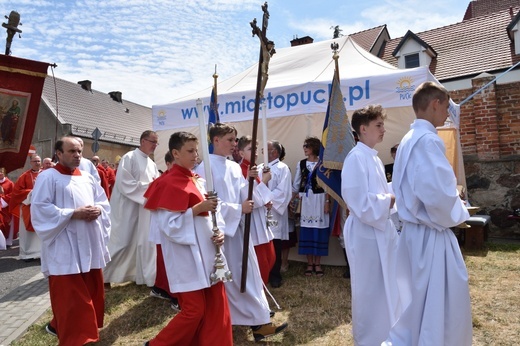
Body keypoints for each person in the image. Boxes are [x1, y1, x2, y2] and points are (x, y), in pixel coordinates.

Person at [382, 82, 472, 346]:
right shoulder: (428, 140)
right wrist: (460, 208)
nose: (447, 113)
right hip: (431, 235)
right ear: (435, 104)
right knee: (437, 306)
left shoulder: (409, 139)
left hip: (414, 234)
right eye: (445, 106)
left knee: (416, 304)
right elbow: (437, 195)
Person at [195, 123, 288, 342]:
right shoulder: (204, 169)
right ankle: (251, 320)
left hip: (237, 230)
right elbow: (207, 202)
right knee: (234, 277)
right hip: (221, 234)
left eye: (235, 140)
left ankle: (258, 319)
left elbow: (243, 194)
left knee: (248, 274)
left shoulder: (234, 167)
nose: (234, 144)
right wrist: (238, 209)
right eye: (230, 140)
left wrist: (257, 189)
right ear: (216, 140)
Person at [143, 131, 232, 346]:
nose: (196, 155)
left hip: (209, 252)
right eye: (190, 151)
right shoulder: (167, 183)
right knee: (194, 310)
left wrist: (218, 231)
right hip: (185, 256)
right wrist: (196, 209)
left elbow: (213, 214)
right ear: (175, 153)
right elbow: (169, 226)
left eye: (196, 150)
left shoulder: (198, 180)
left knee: (215, 304)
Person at [31, 136, 111, 345]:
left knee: (90, 294)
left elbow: (103, 202)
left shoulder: (87, 177)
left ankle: (85, 334)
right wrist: (72, 214)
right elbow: (40, 209)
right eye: (71, 151)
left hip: (89, 244)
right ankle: (78, 340)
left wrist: (98, 209)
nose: (77, 155)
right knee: (71, 300)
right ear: (58, 153)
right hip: (64, 248)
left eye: (79, 151)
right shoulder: (47, 177)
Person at [341, 105, 400, 346]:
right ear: (363, 129)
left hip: (379, 230)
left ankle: (387, 333)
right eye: (378, 125)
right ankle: (368, 339)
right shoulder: (356, 158)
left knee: (386, 283)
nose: (383, 129)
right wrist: (390, 199)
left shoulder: (373, 158)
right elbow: (358, 202)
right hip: (365, 234)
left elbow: (379, 194)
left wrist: (393, 194)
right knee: (369, 289)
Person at [103, 130, 160, 287]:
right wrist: (150, 188)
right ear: (142, 141)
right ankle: (105, 277)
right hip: (127, 207)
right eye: (152, 141)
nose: (155, 145)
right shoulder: (129, 157)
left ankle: (136, 274)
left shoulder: (152, 163)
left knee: (140, 242)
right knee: (122, 242)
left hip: (143, 208)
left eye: (156, 142)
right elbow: (124, 183)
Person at [237, 135, 274, 285]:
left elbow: (259, 197)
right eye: (250, 149)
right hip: (251, 222)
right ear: (241, 153)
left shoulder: (252, 169)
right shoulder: (240, 170)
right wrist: (264, 181)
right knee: (261, 261)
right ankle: (260, 296)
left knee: (270, 257)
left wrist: (266, 201)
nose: (255, 152)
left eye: (256, 149)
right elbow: (250, 199)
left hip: (259, 219)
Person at [292, 136, 330, 277]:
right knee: (307, 230)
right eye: (304, 146)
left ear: (314, 147)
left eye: (307, 146)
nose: (304, 148)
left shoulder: (323, 164)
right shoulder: (301, 164)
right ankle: (309, 263)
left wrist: (327, 202)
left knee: (319, 230)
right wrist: (293, 200)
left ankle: (318, 263)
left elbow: (327, 185)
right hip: (305, 200)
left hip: (319, 199)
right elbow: (296, 184)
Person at [148, 150, 180, 311]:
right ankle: (172, 293)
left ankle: (160, 288)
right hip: (164, 229)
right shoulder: (162, 180)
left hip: (172, 228)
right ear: (167, 164)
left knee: (166, 261)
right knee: (166, 261)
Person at [265, 140, 292, 288]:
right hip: (260, 210)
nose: (263, 152)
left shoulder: (282, 168)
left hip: (274, 211)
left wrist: (266, 198)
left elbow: (284, 191)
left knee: (275, 244)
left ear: (274, 152)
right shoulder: (261, 167)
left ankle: (275, 274)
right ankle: (264, 273)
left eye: (266, 149)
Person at [10, 154, 42, 261]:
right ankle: (27, 254)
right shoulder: (24, 176)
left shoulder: (46, 175)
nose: (37, 163)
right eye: (35, 161)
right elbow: (17, 192)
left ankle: (41, 253)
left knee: (41, 231)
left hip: (42, 209)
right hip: (28, 207)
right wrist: (31, 193)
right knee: (27, 233)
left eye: (38, 161)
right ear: (31, 162)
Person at [0, 167, 14, 249]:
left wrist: (2, 198)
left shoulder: (9, 183)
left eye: (1, 172)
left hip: (5, 208)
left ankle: (6, 240)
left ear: (4, 173)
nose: (0, 173)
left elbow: (12, 194)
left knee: (5, 224)